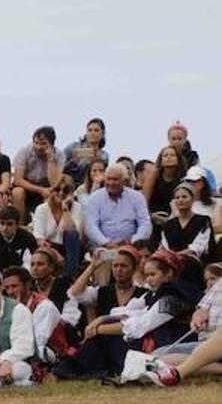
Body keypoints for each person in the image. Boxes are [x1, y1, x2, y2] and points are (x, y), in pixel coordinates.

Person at [53, 251, 200, 381]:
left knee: (105, 337)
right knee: (104, 337)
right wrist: (102, 319)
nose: (148, 279)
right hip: (153, 340)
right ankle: (74, 368)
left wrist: (100, 329)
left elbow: (142, 326)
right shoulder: (154, 293)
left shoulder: (173, 298)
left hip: (168, 345)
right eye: (146, 275)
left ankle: (73, 369)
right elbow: (129, 310)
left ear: (168, 273)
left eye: (152, 275)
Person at [83, 163, 152, 258]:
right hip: (103, 247)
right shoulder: (95, 198)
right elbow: (91, 226)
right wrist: (107, 243)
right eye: (108, 179)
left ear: (124, 181)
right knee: (108, 257)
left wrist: (133, 241)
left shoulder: (137, 197)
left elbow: (145, 223)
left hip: (132, 246)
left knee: (134, 256)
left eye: (115, 179)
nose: (111, 183)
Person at [67, 247, 145, 328]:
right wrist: (92, 266)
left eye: (124, 266)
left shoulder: (144, 293)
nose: (119, 269)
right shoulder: (102, 291)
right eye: (115, 266)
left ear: (134, 268)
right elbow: (75, 293)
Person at [11, 126, 64, 221]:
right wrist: (40, 190)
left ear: (52, 145)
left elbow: (54, 183)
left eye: (43, 144)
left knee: (53, 195)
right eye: (36, 143)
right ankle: (20, 226)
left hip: (48, 187)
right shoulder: (24, 151)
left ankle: (45, 228)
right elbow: (18, 180)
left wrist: (50, 161)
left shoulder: (59, 155)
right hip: (28, 186)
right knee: (17, 192)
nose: (39, 147)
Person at [154, 183, 213, 268]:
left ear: (192, 199)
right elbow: (164, 246)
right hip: (171, 266)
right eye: (177, 198)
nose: (180, 200)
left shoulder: (203, 221)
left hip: (194, 265)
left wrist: (174, 257)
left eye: (184, 197)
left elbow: (197, 248)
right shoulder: (169, 224)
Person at [31, 177, 84, 272]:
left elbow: (75, 234)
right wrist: (55, 253)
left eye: (66, 190)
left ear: (71, 193)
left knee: (72, 235)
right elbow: (39, 238)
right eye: (57, 189)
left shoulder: (77, 207)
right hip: (48, 248)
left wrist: (65, 209)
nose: (61, 193)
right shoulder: (42, 209)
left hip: (70, 248)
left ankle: (71, 275)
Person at [0, 206, 38, 271]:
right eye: (2, 223)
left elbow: (31, 265)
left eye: (9, 224)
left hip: (22, 277)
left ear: (17, 224)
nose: (5, 228)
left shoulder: (27, 238)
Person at [61, 118, 108, 186]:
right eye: (89, 130)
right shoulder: (73, 147)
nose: (92, 133)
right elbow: (60, 168)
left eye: (96, 130)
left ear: (102, 134)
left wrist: (95, 159)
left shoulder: (104, 155)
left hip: (90, 186)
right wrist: (73, 162)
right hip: (69, 185)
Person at [143, 145, 187, 218]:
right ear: (161, 161)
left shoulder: (184, 176)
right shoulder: (154, 174)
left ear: (178, 159)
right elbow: (145, 199)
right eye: (165, 156)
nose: (169, 157)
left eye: (172, 155)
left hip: (177, 215)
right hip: (154, 216)